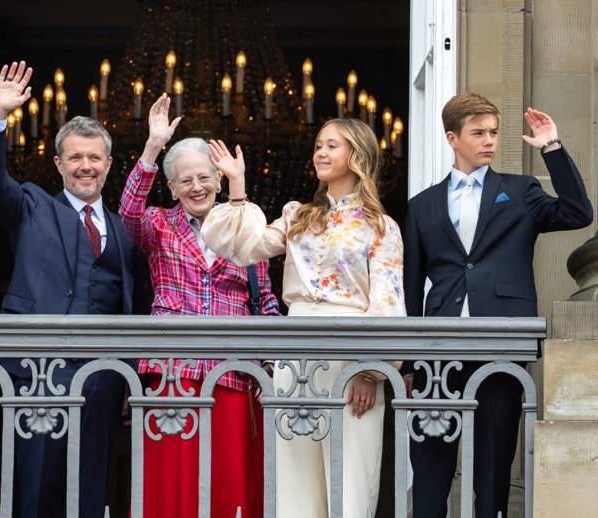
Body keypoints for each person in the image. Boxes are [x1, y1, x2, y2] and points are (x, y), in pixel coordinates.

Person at [202, 118, 405, 518]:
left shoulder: (381, 226)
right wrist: (237, 185)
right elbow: (245, 248)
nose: (320, 153)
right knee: (293, 476)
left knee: (349, 477)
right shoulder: (299, 216)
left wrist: (368, 371)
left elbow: (387, 300)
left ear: (357, 155)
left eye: (332, 146)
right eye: (318, 146)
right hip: (295, 355)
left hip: (351, 357)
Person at [403, 94, 593, 517]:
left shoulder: (520, 191)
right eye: (478, 133)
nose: (489, 140)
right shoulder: (421, 206)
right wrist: (411, 361)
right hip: (438, 348)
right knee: (430, 463)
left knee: (492, 467)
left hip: (502, 342)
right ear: (453, 138)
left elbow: (579, 213)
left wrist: (551, 147)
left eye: (493, 132)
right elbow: (411, 287)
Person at [0, 61, 147, 518]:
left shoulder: (125, 230)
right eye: (75, 158)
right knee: (37, 489)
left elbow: (138, 306)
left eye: (94, 158)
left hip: (104, 378)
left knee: (89, 492)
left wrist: (129, 375)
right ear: (58, 164)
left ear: (108, 164)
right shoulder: (30, 205)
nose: (85, 166)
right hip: (38, 370)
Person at [118, 93, 280, 518]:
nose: (197, 186)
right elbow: (128, 212)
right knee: (173, 484)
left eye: (205, 176)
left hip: (234, 373)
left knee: (227, 486)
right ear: (172, 188)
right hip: (175, 373)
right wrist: (153, 146)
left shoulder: (247, 226)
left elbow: (266, 301)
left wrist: (269, 365)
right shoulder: (158, 224)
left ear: (220, 179)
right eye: (185, 180)